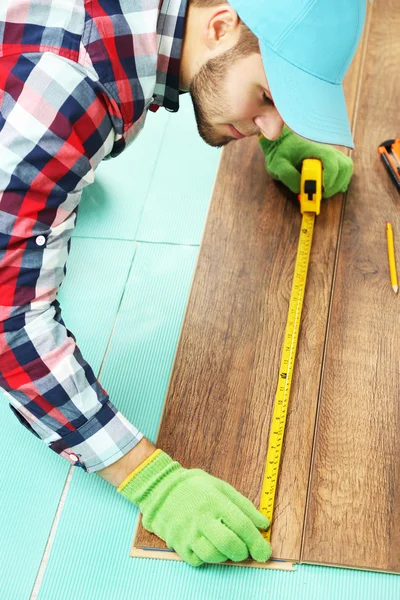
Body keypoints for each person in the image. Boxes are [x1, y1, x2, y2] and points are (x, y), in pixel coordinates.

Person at [0, 0, 366, 567]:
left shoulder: (171, 23)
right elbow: (12, 329)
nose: (270, 123)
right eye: (269, 98)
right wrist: (151, 478)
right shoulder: (61, 94)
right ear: (221, 23)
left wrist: (274, 127)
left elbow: (230, 59)